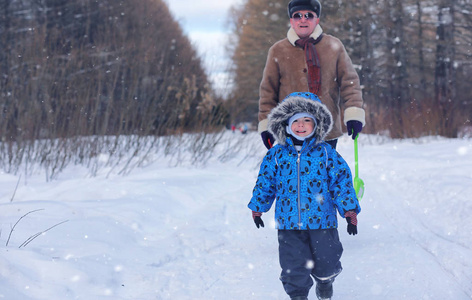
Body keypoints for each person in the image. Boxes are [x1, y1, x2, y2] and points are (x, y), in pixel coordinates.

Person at [248, 92, 361, 300]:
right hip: (289, 224)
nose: (301, 125)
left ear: (316, 124)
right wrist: (258, 207)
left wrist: (349, 211)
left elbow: (341, 183)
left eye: (307, 120)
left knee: (327, 261)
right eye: (296, 121)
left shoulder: (326, 153)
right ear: (286, 124)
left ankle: (325, 280)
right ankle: (298, 295)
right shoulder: (276, 154)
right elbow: (266, 182)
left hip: (323, 221)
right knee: (293, 267)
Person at [258, 0, 366, 150]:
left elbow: (350, 83)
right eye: (298, 16)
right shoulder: (278, 50)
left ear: (317, 20)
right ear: (291, 21)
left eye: (309, 15)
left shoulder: (333, 46)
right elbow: (268, 91)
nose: (303, 19)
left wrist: (354, 114)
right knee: (293, 173)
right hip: (290, 132)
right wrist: (266, 124)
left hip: (326, 132)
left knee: (325, 173)